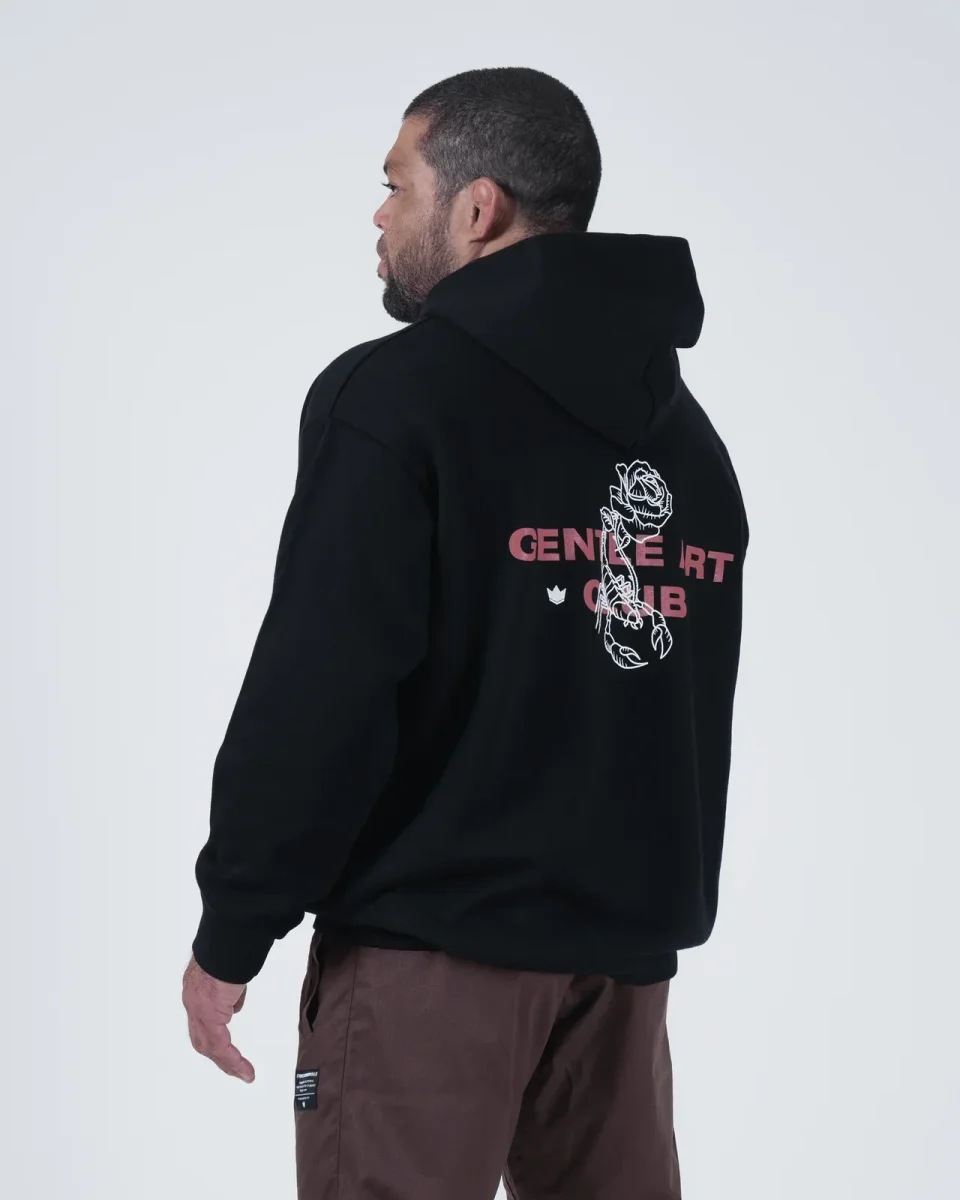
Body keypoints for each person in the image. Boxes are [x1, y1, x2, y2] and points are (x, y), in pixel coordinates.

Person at [182, 65, 748, 1200]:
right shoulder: (689, 443)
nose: (379, 215)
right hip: (621, 980)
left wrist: (235, 925)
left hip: (428, 963)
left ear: (478, 207)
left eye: (398, 185)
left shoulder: (398, 397)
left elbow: (324, 685)